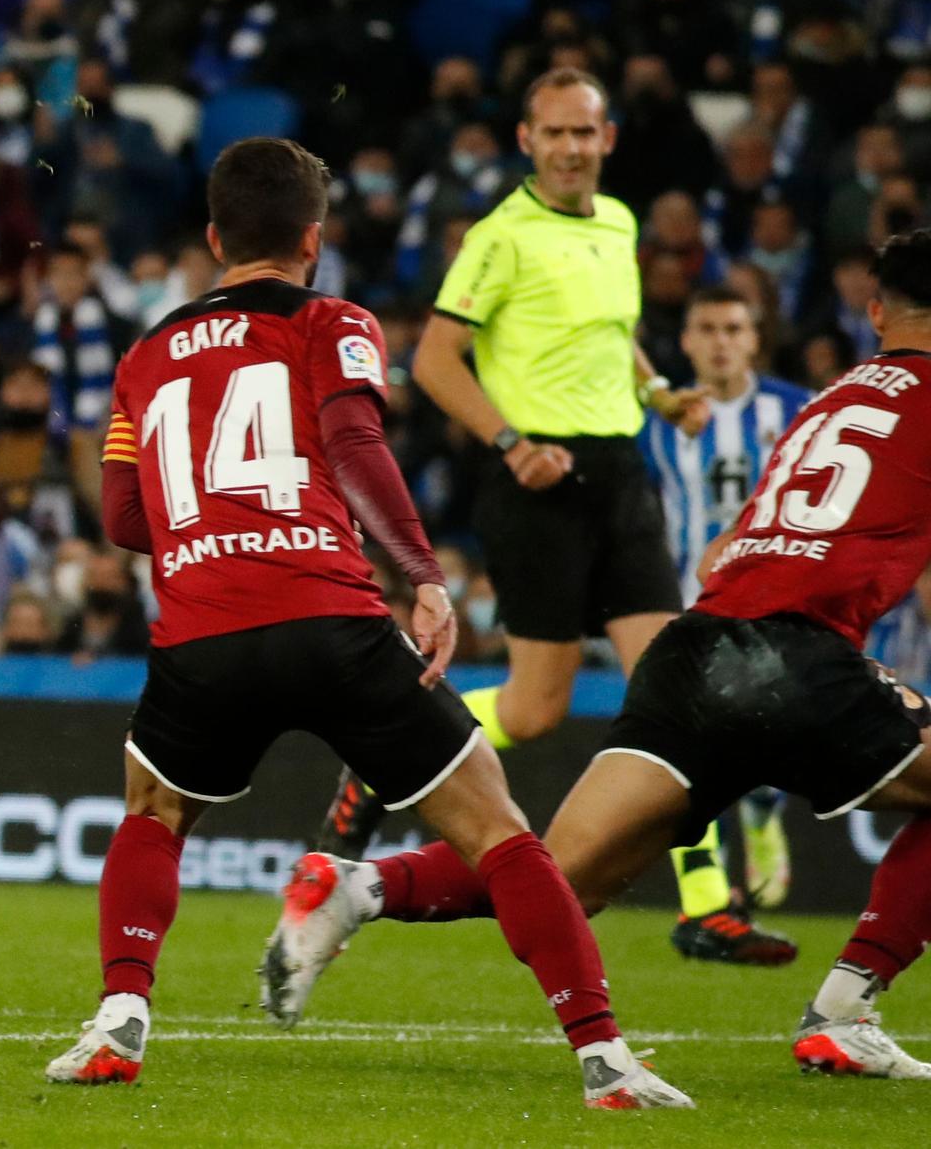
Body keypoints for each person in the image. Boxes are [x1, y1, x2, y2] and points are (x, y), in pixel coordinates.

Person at [45, 137, 689, 1111]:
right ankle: (602, 1055)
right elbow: (350, 440)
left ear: (216, 236)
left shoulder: (144, 354)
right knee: (498, 831)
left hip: (201, 633)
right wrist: (420, 575)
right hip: (328, 617)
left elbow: (124, 519)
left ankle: (118, 1017)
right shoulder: (331, 321)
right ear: (314, 238)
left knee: (153, 812)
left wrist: (209, 535)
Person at [280, 229, 931, 1082]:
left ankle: (359, 889)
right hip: (795, 660)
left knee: (561, 876)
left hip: (694, 647)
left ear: (876, 311)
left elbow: (714, 558)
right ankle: (847, 1008)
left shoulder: (827, 402)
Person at [313, 67, 794, 966]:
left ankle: (706, 907)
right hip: (536, 482)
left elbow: (609, 335)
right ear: (528, 141)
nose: (573, 148)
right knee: (535, 710)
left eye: (586, 132)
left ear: (607, 139)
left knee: (675, 692)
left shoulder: (617, 223)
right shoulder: (501, 237)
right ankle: (385, 760)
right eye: (556, 133)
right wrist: (509, 443)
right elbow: (437, 357)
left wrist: (656, 390)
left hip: (621, 473)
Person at [641, 287, 810, 910]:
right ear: (685, 341)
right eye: (706, 328)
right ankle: (708, 900)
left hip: (784, 604)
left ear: (754, 338)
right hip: (692, 605)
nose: (720, 342)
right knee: (690, 742)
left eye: (733, 328)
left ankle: (763, 813)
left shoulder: (800, 409)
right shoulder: (656, 425)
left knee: (770, 741)